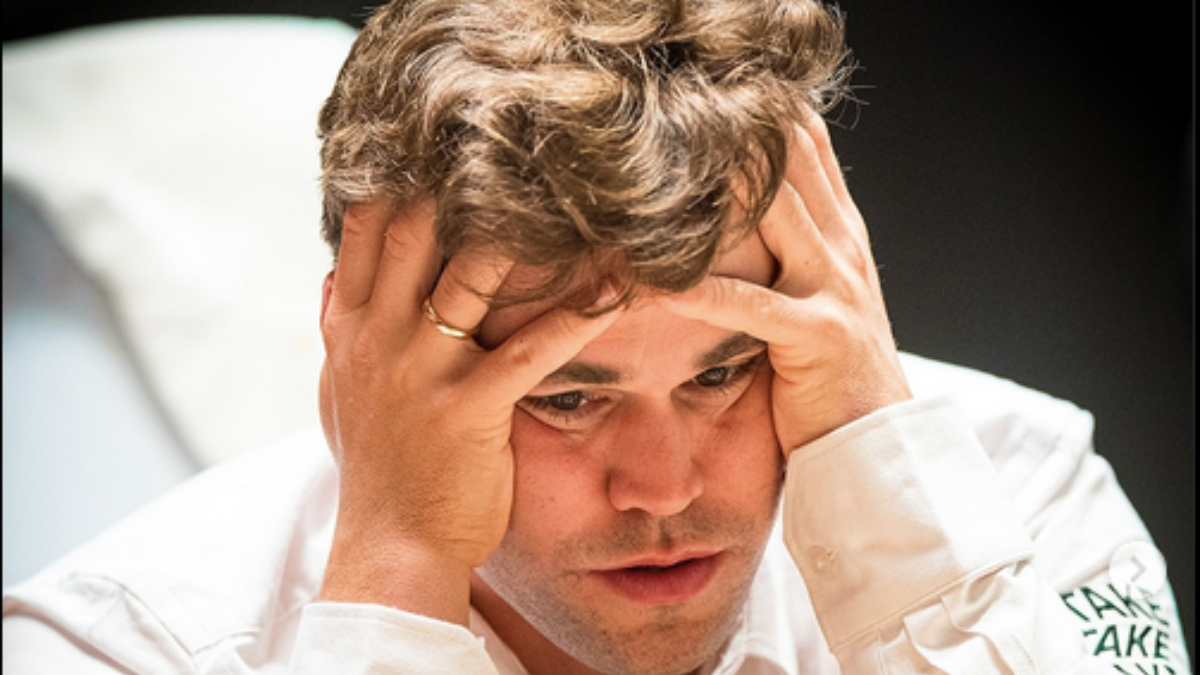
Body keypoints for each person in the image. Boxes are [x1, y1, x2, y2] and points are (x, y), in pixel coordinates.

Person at [2, 0, 1190, 672]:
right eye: (568, 395)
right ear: (365, 369)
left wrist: (899, 503)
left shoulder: (1026, 505)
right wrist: (397, 578)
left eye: (726, 370)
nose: (665, 486)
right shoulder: (113, 647)